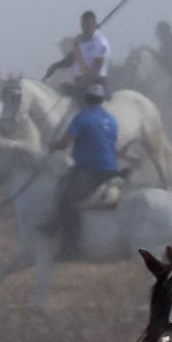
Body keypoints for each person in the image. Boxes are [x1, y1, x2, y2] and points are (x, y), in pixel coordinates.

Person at [47, 82, 122, 252]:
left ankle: (71, 247)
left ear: (86, 99)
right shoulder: (112, 119)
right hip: (112, 170)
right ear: (102, 100)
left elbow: (66, 142)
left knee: (68, 201)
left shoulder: (82, 117)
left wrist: (54, 147)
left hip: (90, 170)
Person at [72, 10, 110, 94]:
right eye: (83, 26)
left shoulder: (100, 42)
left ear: (94, 25)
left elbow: (95, 71)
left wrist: (80, 86)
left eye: (88, 26)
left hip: (96, 82)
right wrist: (56, 66)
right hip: (80, 81)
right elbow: (70, 59)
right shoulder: (79, 41)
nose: (85, 29)